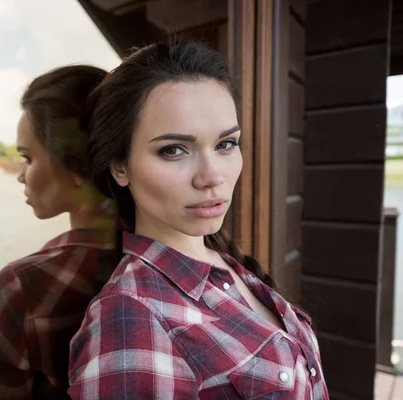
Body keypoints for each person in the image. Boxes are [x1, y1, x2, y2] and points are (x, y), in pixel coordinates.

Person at [68, 41, 329, 399]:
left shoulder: (224, 263)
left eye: (225, 144)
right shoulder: (130, 322)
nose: (211, 176)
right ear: (120, 166)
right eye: (173, 150)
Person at [0, 65, 116, 399]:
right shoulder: (169, 250)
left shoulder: (22, 287)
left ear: (75, 163)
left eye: (28, 157)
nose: (21, 175)